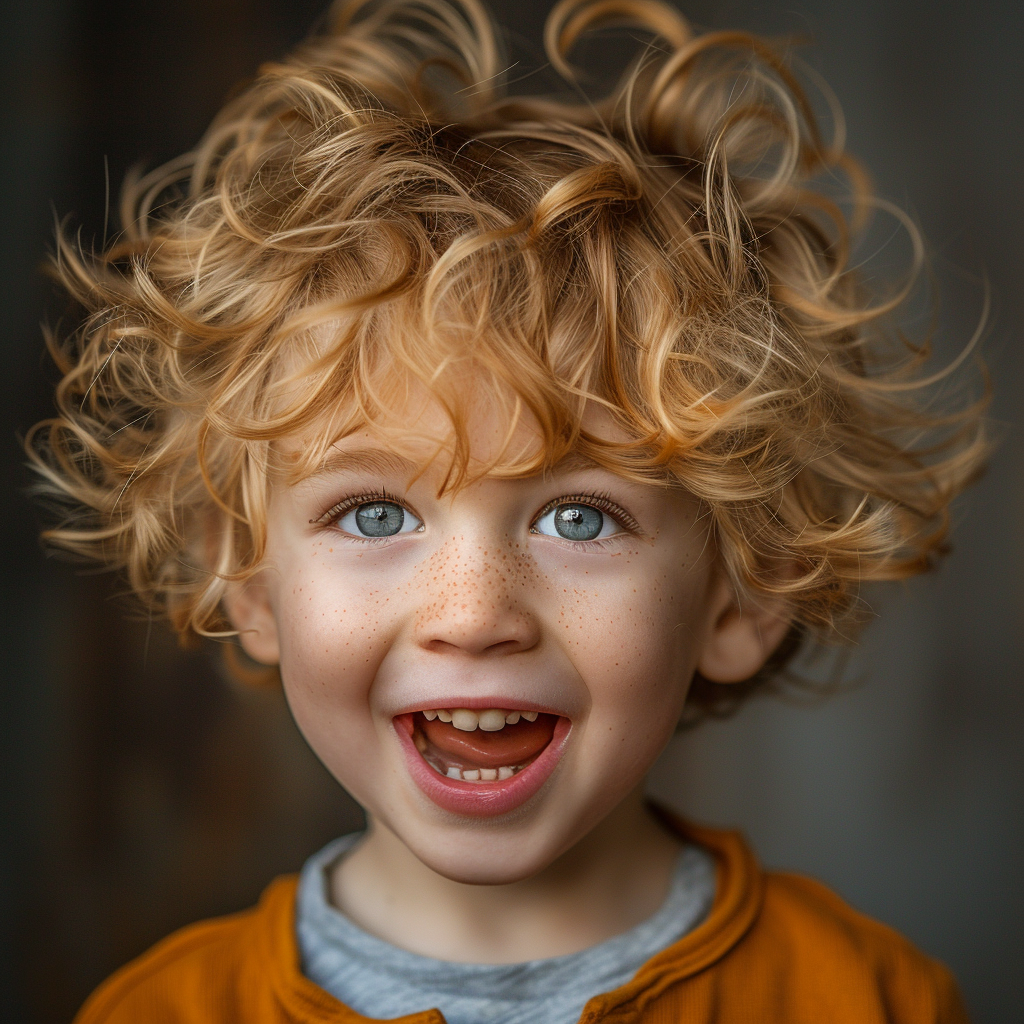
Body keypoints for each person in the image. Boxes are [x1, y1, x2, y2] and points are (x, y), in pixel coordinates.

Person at [29, 0, 986, 1020]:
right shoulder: (162, 1011)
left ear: (741, 595)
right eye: (372, 515)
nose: (474, 613)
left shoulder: (868, 998)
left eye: (578, 518)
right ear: (251, 579)